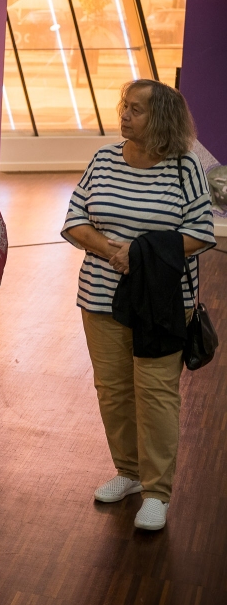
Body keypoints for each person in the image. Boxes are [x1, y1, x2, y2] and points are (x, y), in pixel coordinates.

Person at [62, 79, 214, 531]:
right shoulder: (105, 159)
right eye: (123, 106)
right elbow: (74, 220)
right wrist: (115, 252)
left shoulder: (185, 166)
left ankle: (157, 493)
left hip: (162, 304)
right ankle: (128, 472)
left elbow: (201, 232)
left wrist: (141, 252)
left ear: (162, 118)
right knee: (112, 390)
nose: (124, 115)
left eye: (136, 110)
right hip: (100, 297)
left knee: (156, 395)